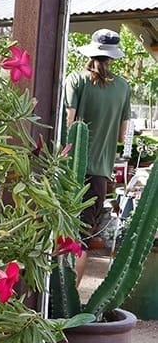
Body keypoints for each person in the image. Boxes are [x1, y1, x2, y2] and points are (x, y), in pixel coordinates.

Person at [64, 28, 131, 283]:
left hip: (68, 170)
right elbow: (122, 137)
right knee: (81, 239)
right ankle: (68, 301)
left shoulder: (76, 80)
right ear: (112, 57)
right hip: (99, 175)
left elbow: (70, 125)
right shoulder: (123, 87)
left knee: (58, 232)